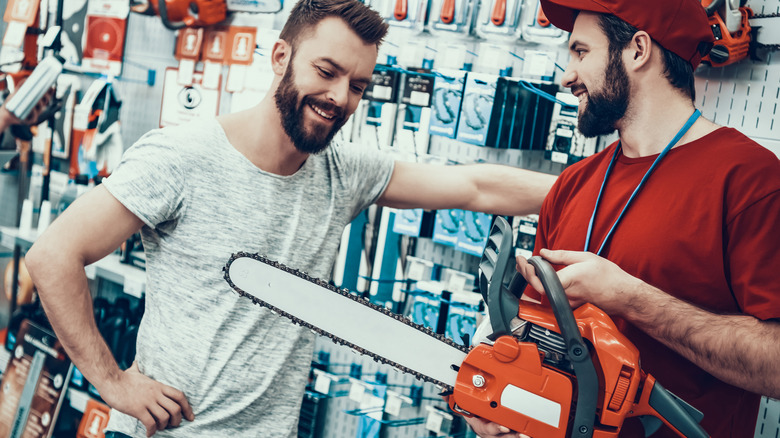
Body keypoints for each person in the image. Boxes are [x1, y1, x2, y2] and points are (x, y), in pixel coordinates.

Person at [24, 0, 557, 436]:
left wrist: (581, 191)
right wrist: (112, 383)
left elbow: (474, 185)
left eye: (357, 85)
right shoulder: (181, 157)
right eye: (326, 72)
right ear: (280, 56)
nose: (339, 97)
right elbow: (53, 255)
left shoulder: (342, 171)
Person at [467, 0, 780, 437]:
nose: (567, 75)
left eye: (581, 52)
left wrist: (631, 298)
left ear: (637, 50)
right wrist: (502, 400)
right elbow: (531, 330)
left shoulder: (751, 180)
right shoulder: (573, 184)